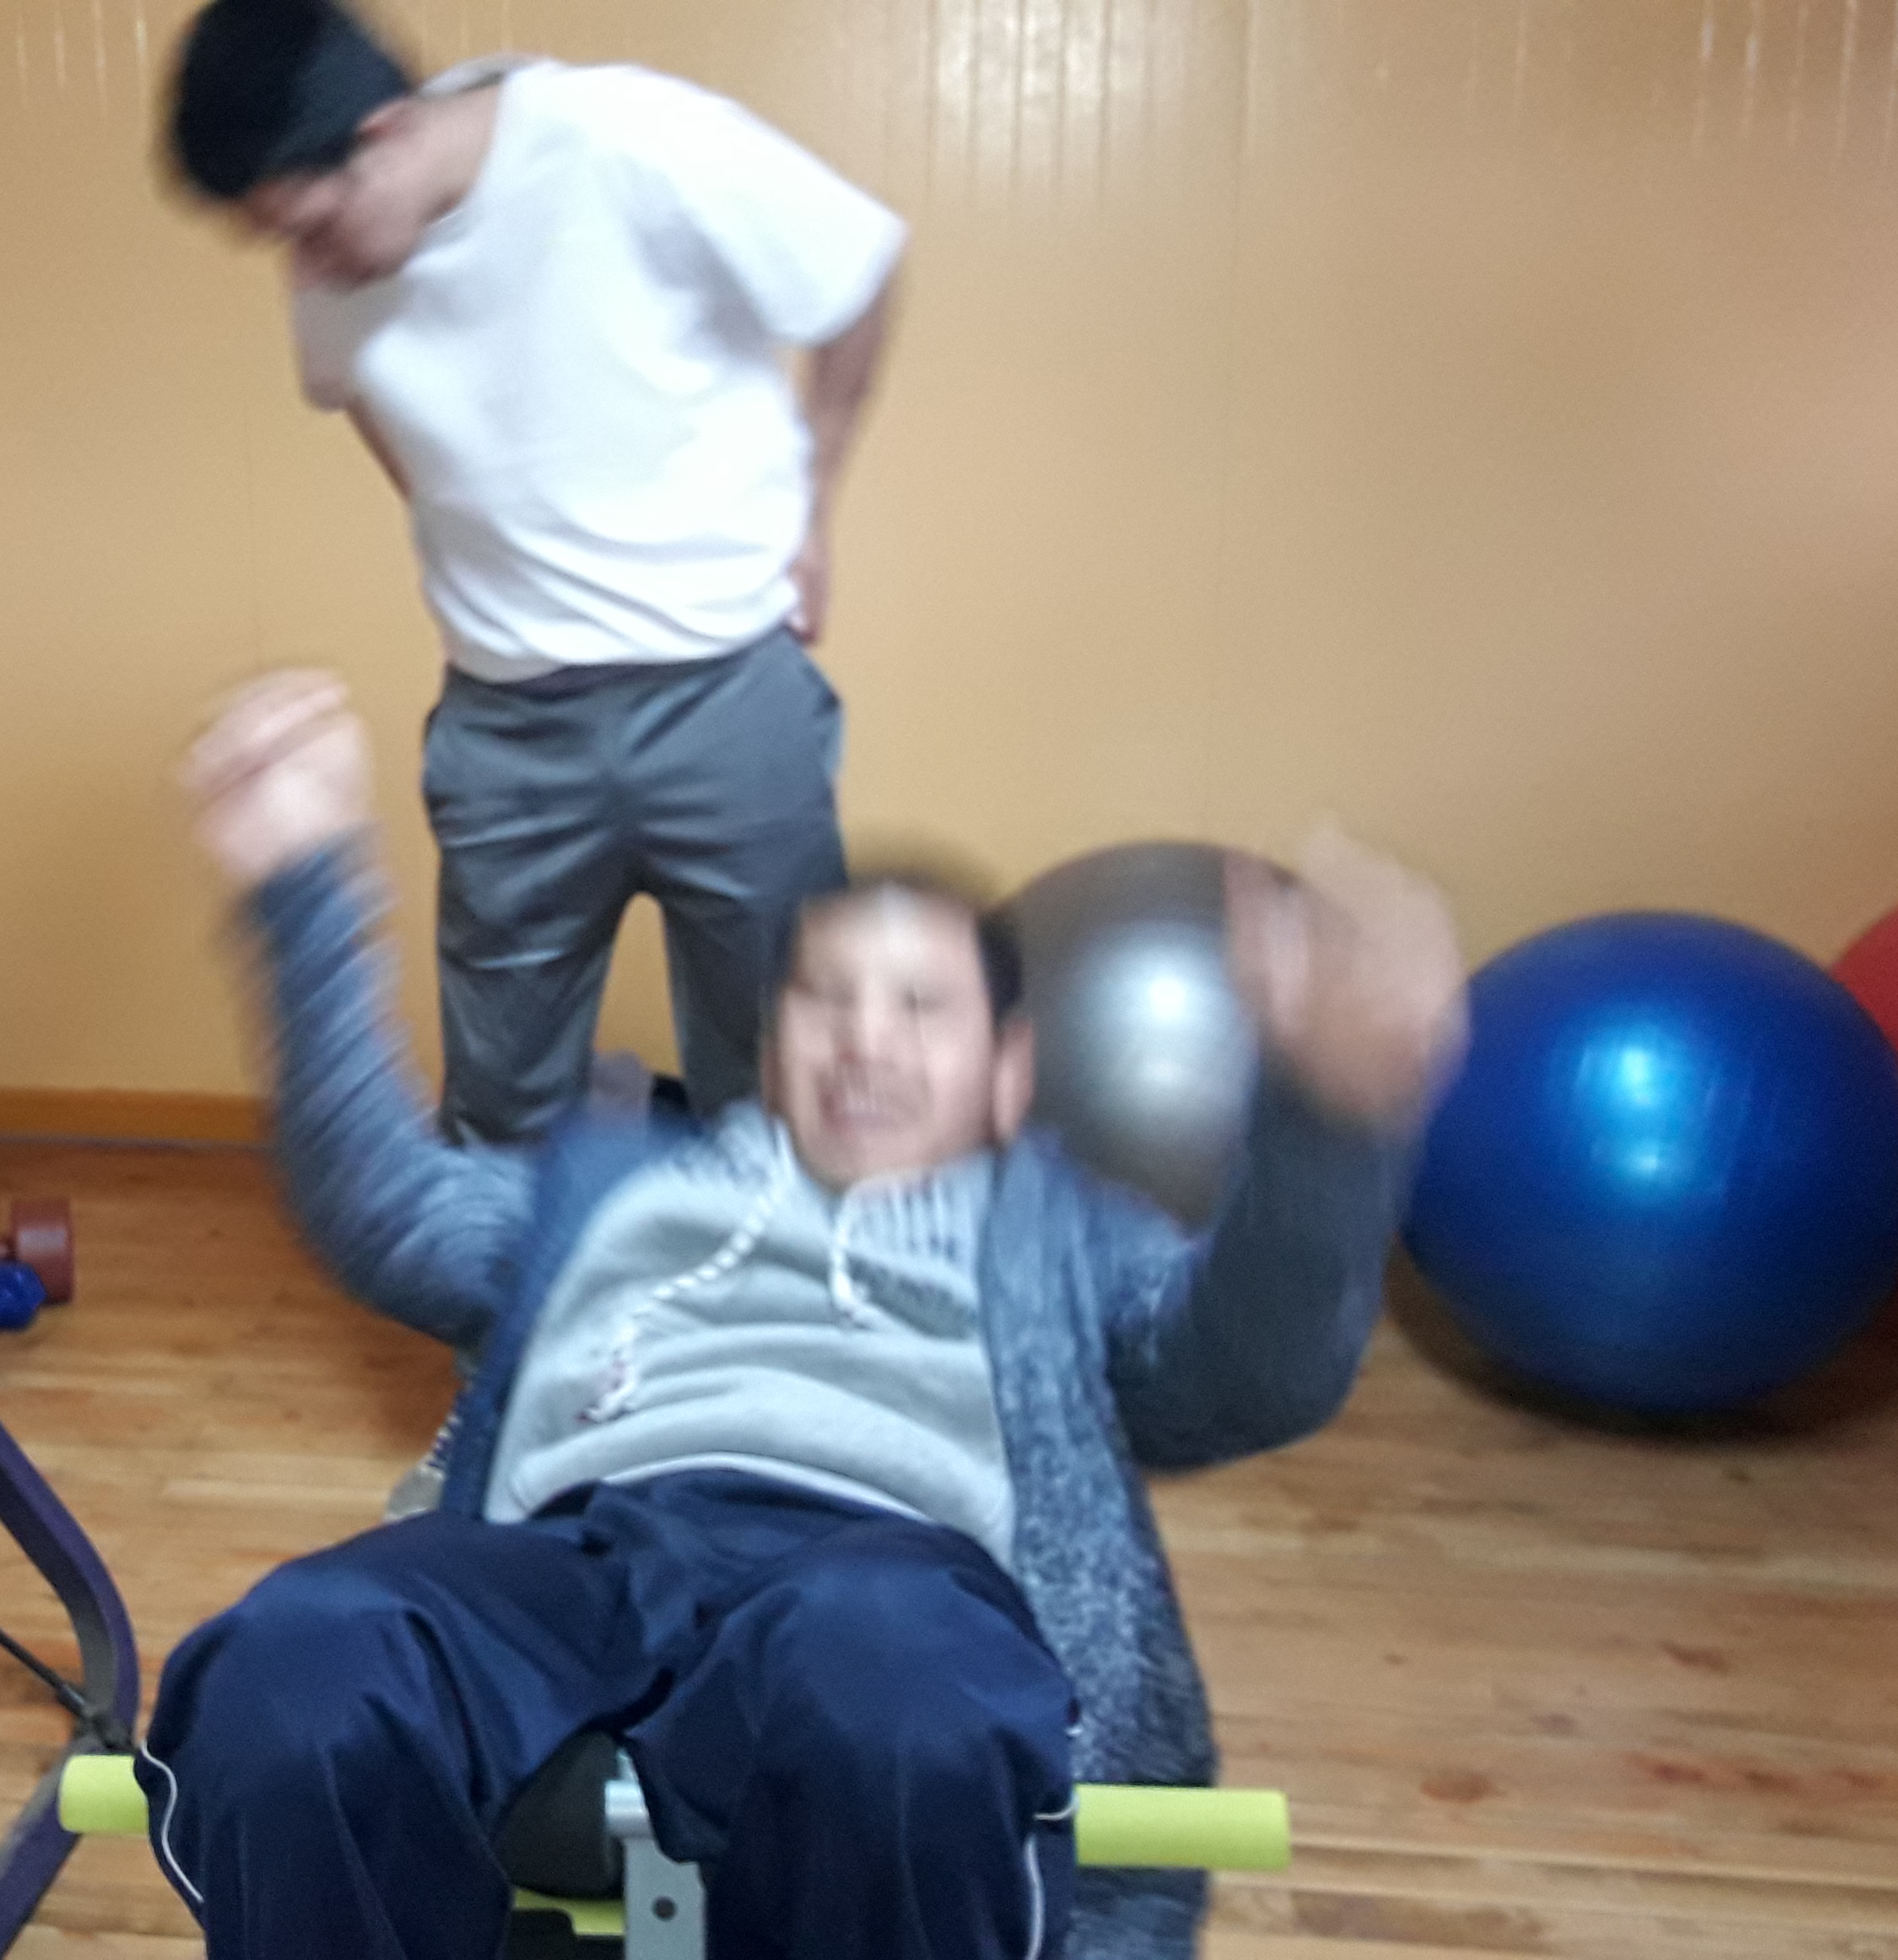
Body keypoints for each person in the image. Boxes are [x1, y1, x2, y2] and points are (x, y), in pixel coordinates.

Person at [148, 670, 1467, 1959]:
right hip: (578, 1557)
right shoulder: (615, 1182)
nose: (867, 1039)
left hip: (884, 1567)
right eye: (827, 999)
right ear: (772, 1048)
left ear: (1011, 1071)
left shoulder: (1058, 1231)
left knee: (890, 1685)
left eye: (921, 1006)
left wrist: (1332, 1121)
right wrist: (303, 887)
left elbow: (1253, 1373)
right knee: (294, 1667)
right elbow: (385, 1205)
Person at [165, 0, 907, 1144]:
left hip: (724, 694)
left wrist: (816, 501)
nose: (305, 266)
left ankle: (766, 1268)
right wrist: (477, 532)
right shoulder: (333, 261)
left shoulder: (629, 139)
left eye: (311, 226)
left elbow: (856, 270)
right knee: (501, 1107)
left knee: (778, 1078)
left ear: (385, 135)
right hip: (508, 733)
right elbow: (360, 395)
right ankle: (521, 1271)